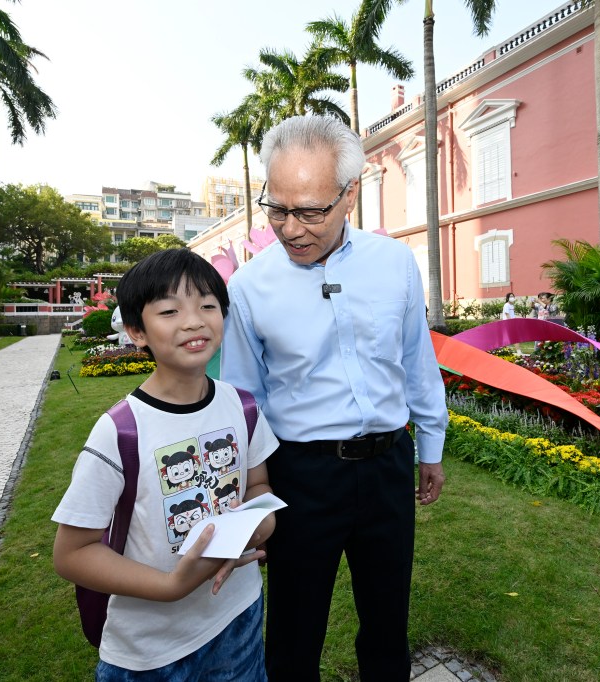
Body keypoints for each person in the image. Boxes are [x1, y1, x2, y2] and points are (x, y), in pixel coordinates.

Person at [220, 115, 448, 681]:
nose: (290, 228)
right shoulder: (248, 287)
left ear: (350, 195)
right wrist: (251, 494)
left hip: (387, 467)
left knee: (388, 620)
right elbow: (246, 400)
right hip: (301, 476)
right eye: (277, 209)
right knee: (294, 632)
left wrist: (431, 446)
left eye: (310, 211)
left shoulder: (394, 263)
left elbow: (416, 360)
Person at [52, 248, 279, 680]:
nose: (194, 321)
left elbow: (258, 487)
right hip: (150, 648)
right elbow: (72, 554)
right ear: (137, 331)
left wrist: (256, 527)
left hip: (239, 616)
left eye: (207, 305)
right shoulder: (121, 432)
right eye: (170, 311)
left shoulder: (243, 406)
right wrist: (172, 586)